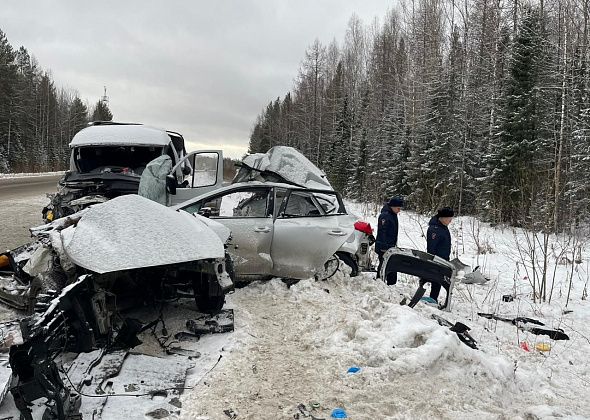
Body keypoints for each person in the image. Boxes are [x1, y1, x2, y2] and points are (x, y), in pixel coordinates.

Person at [426, 207, 454, 302]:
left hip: (443, 259)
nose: (450, 221)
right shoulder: (435, 229)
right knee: (435, 279)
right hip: (436, 259)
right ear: (443, 218)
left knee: (438, 280)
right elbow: (431, 247)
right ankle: (432, 299)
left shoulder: (442, 227)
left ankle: (433, 298)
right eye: (449, 219)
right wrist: (432, 260)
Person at [375, 196, 404, 285]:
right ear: (393, 206)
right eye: (398, 208)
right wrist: (384, 246)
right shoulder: (385, 216)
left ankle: (390, 284)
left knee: (391, 265)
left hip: (390, 246)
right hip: (384, 247)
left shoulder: (392, 215)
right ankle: (379, 282)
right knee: (384, 265)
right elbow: (382, 232)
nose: (399, 210)